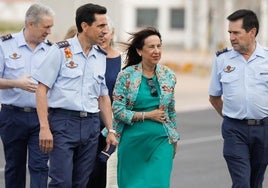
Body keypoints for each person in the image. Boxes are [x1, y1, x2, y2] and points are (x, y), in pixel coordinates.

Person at [33, 3, 118, 187]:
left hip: (91, 125)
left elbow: (103, 96)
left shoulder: (100, 56)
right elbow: (41, 89)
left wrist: (110, 130)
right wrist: (44, 127)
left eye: (106, 26)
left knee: (81, 183)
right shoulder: (60, 51)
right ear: (85, 26)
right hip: (63, 123)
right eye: (101, 26)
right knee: (61, 181)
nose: (105, 30)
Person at [112, 27, 179, 188]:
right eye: (151, 47)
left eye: (159, 46)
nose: (156, 51)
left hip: (161, 139)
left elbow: (170, 110)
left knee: (159, 183)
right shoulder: (126, 76)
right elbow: (118, 110)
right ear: (139, 51)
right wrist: (147, 115)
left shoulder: (168, 75)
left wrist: (174, 137)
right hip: (132, 141)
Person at [209, 9, 268, 188]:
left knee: (255, 183)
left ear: (252, 32)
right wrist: (231, 117)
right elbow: (214, 97)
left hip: (264, 130)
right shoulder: (222, 59)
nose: (232, 37)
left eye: (236, 33)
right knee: (242, 183)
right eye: (230, 33)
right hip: (235, 130)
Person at [0, 3, 54, 188]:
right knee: (14, 166)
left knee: (40, 167)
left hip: (42, 117)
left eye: (51, 27)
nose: (49, 31)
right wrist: (16, 83)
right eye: (46, 27)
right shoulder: (5, 45)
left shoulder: (52, 50)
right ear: (31, 24)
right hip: (12, 116)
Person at [87, 16, 122, 188]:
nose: (103, 36)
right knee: (87, 171)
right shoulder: (87, 57)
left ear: (112, 33)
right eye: (100, 32)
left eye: (106, 32)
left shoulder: (121, 60)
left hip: (111, 124)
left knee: (106, 169)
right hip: (88, 121)